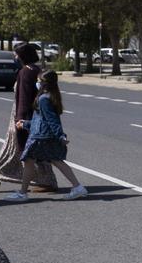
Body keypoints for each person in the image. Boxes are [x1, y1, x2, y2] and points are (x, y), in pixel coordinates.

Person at [0, 42, 49, 193]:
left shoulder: (25, 72)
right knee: (13, 149)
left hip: (23, 116)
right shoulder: (36, 69)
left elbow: (24, 97)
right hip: (32, 115)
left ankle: (46, 181)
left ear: (23, 56)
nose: (15, 57)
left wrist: (20, 120)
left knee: (28, 150)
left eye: (17, 54)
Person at [11, 69, 86, 200]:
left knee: (30, 161)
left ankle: (22, 193)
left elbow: (52, 120)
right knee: (56, 161)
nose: (37, 83)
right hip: (43, 134)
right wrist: (25, 124)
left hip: (40, 137)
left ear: (45, 84)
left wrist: (60, 135)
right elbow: (40, 119)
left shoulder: (44, 99)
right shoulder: (50, 96)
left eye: (39, 81)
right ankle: (78, 187)